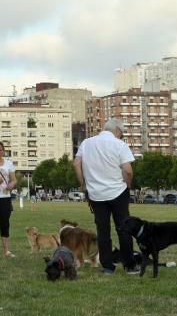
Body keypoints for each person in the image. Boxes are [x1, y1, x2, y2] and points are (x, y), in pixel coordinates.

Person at [73, 118, 138, 275]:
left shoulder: (86, 143)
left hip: (95, 193)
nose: (121, 137)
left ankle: (107, 266)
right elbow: (128, 170)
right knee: (124, 229)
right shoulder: (119, 145)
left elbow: (76, 164)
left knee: (103, 231)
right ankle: (129, 265)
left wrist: (84, 184)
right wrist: (128, 183)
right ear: (117, 130)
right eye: (121, 134)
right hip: (118, 191)